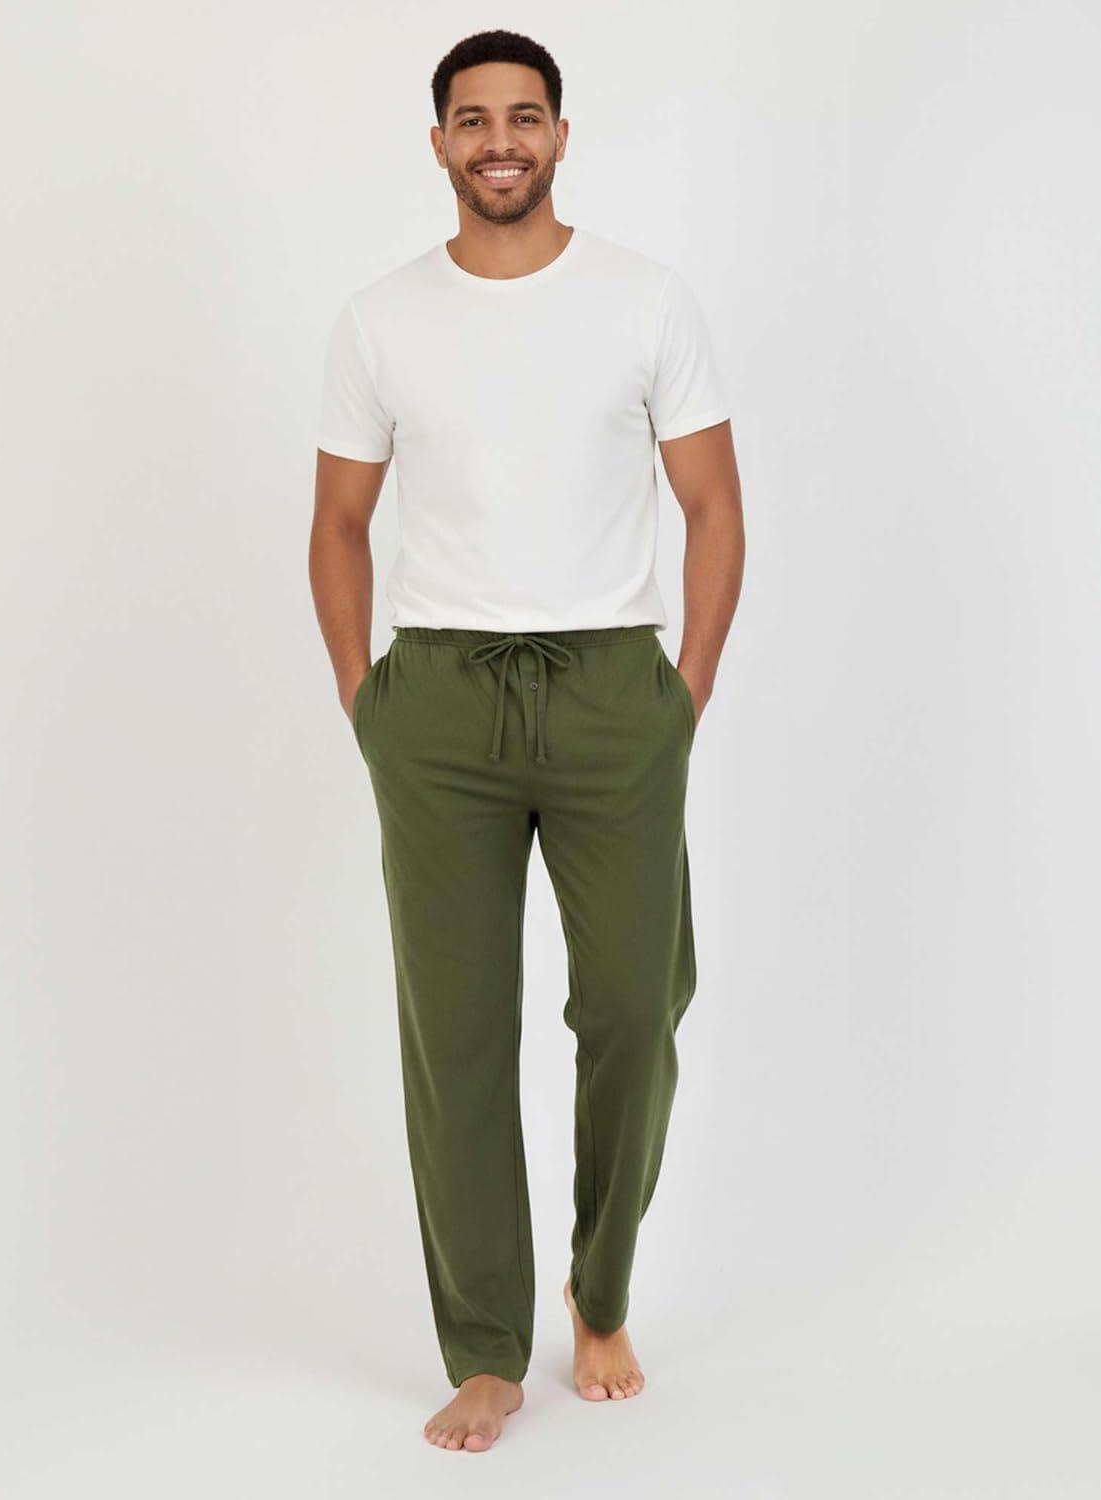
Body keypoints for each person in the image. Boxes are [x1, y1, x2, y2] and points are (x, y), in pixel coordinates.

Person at [308, 28, 745, 1453]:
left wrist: (681, 693)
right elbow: (338, 523)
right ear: (439, 142)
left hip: (614, 686)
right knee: (456, 1032)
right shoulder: (382, 318)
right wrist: (367, 702)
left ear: (560, 135)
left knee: (633, 1005)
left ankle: (598, 1290)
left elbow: (713, 508)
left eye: (526, 116)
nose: (501, 140)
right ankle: (487, 1348)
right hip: (437, 696)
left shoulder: (645, 299)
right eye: (474, 118)